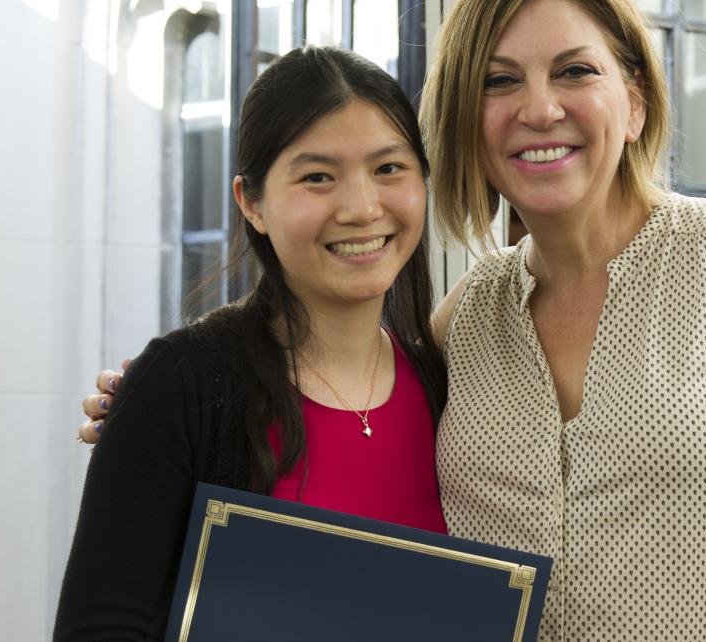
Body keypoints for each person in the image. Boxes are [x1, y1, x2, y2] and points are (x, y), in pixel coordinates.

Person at [82, 0, 706, 639]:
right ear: (471, 120)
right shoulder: (463, 322)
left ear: (634, 103)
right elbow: (324, 386)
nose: (539, 109)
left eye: (574, 71)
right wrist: (155, 406)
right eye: (499, 82)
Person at [54, 45, 448, 640]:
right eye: (317, 177)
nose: (363, 207)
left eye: (389, 168)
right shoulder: (182, 385)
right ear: (252, 203)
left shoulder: (448, 386)